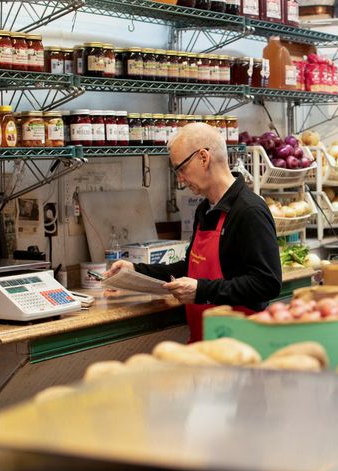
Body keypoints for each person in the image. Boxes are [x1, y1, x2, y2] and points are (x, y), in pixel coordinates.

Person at [104, 122, 282, 342]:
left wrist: (202, 291)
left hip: (240, 345)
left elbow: (267, 283)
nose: (180, 179)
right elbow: (190, 269)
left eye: (180, 169)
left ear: (203, 157)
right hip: (204, 343)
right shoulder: (206, 208)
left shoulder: (249, 211)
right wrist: (135, 270)